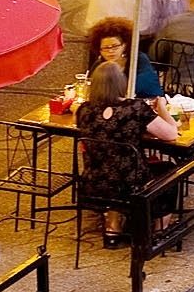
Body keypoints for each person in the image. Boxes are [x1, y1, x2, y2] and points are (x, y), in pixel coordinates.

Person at [75, 62, 179, 248]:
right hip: (131, 184)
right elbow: (171, 134)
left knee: (111, 164)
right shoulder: (134, 109)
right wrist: (162, 106)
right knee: (170, 169)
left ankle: (112, 230)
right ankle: (159, 229)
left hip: (94, 182)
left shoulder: (84, 111)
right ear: (121, 83)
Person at [84, 17, 164, 98]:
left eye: (115, 46)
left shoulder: (138, 59)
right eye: (106, 48)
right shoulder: (100, 63)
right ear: (99, 49)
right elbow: (89, 84)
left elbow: (143, 82)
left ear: (124, 45)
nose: (111, 51)